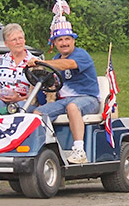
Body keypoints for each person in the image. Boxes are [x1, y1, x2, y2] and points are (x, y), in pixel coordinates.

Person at [27, 19, 100, 165]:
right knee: (37, 114)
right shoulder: (56, 59)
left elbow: (68, 64)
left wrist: (41, 63)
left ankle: (79, 151)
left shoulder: (81, 55)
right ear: (54, 43)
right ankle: (46, 150)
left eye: (67, 39)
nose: (64, 43)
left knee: (72, 106)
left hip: (87, 98)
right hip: (63, 101)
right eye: (60, 40)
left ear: (73, 41)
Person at [0, 23, 41, 115]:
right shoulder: (0, 60)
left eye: (20, 38)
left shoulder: (34, 62)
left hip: (25, 101)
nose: (18, 42)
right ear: (6, 43)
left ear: (24, 40)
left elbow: (39, 94)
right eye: (14, 40)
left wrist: (18, 98)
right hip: (1, 99)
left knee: (18, 109)